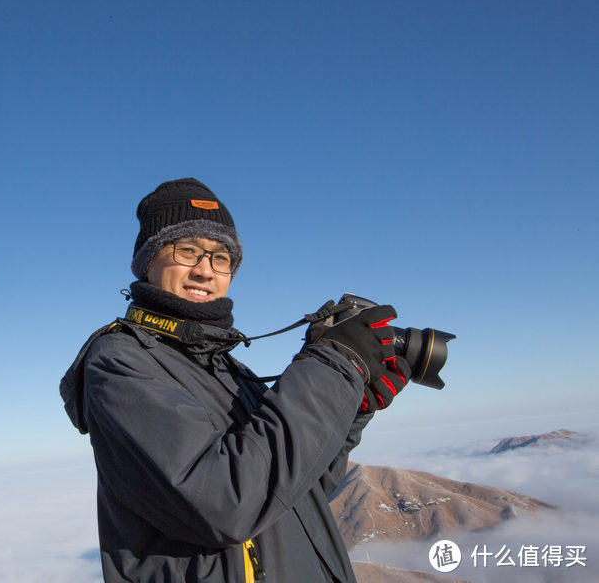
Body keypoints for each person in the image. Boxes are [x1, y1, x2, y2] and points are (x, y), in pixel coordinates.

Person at [61, 178, 410, 582]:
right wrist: (332, 365)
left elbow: (302, 487)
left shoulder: (228, 370)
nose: (205, 270)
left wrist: (349, 408)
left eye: (221, 257)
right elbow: (226, 503)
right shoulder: (121, 363)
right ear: (147, 261)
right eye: (187, 250)